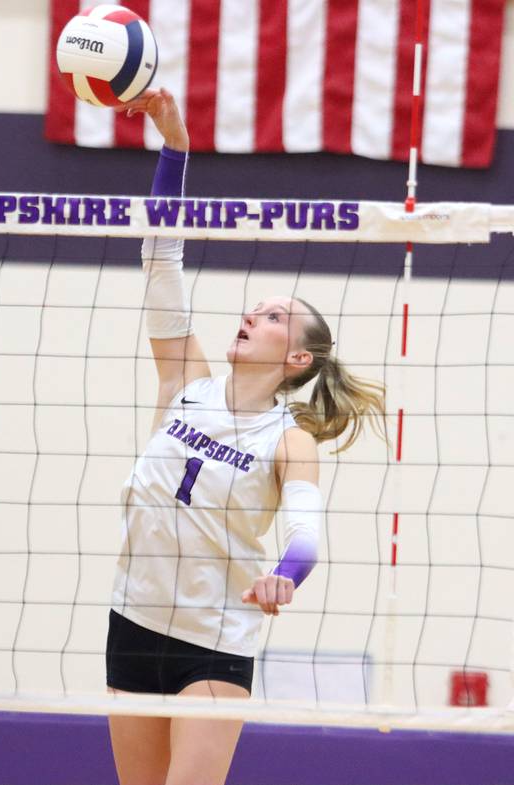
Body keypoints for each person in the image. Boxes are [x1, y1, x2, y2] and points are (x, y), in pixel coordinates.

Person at [106, 89, 386, 785]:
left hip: (215, 639)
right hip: (133, 618)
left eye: (273, 316)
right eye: (255, 307)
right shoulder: (185, 384)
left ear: (297, 359)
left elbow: (306, 537)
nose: (252, 314)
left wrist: (283, 579)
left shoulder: (290, 438)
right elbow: (159, 258)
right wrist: (176, 148)